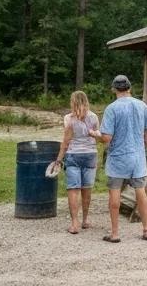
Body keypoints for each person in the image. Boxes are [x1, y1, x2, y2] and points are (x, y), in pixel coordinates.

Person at [99, 74, 147, 243]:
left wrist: (96, 135)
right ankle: (146, 229)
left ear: (114, 89)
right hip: (137, 157)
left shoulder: (111, 109)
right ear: (130, 88)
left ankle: (115, 233)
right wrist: (143, 145)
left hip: (117, 158)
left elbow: (106, 138)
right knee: (141, 192)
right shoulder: (142, 106)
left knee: (114, 193)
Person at [55, 90, 101, 234]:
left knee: (73, 189)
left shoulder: (68, 119)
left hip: (73, 155)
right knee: (87, 189)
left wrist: (58, 160)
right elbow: (97, 135)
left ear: (72, 102)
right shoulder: (94, 117)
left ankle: (74, 223)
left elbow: (65, 142)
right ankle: (85, 220)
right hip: (90, 155)